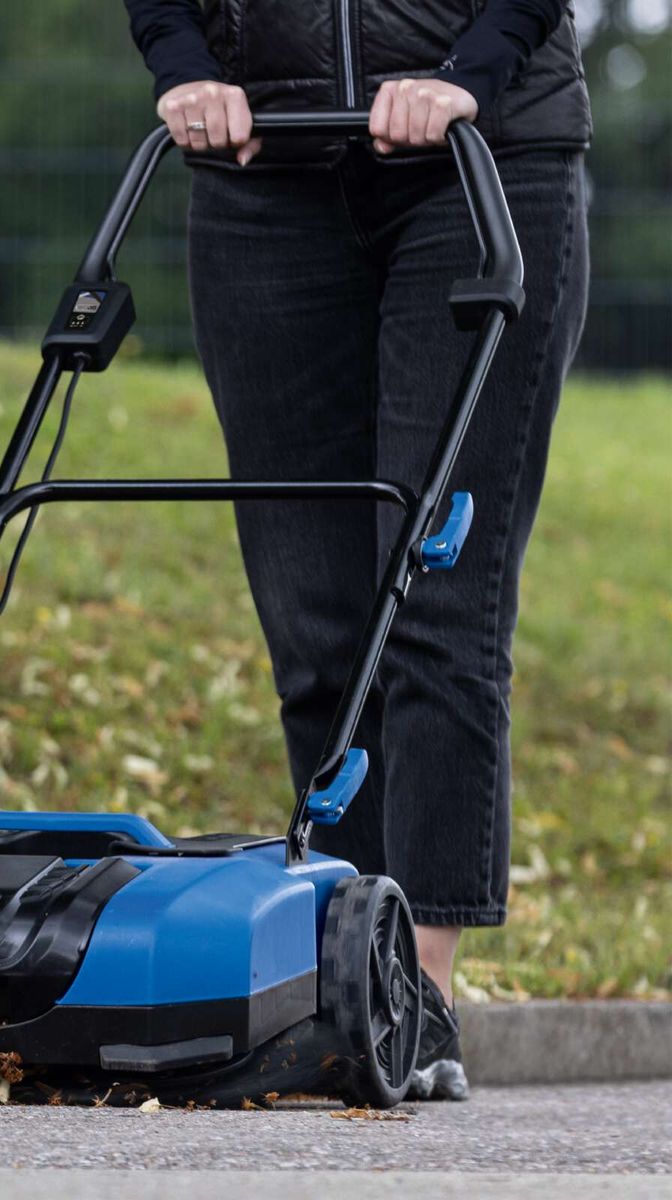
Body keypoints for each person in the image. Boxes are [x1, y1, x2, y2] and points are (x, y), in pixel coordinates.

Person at [124, 0, 590, 1100]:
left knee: (437, 592)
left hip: (480, 160)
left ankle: (415, 998)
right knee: (317, 619)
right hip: (261, 176)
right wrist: (184, 64)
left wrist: (472, 69)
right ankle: (353, 971)